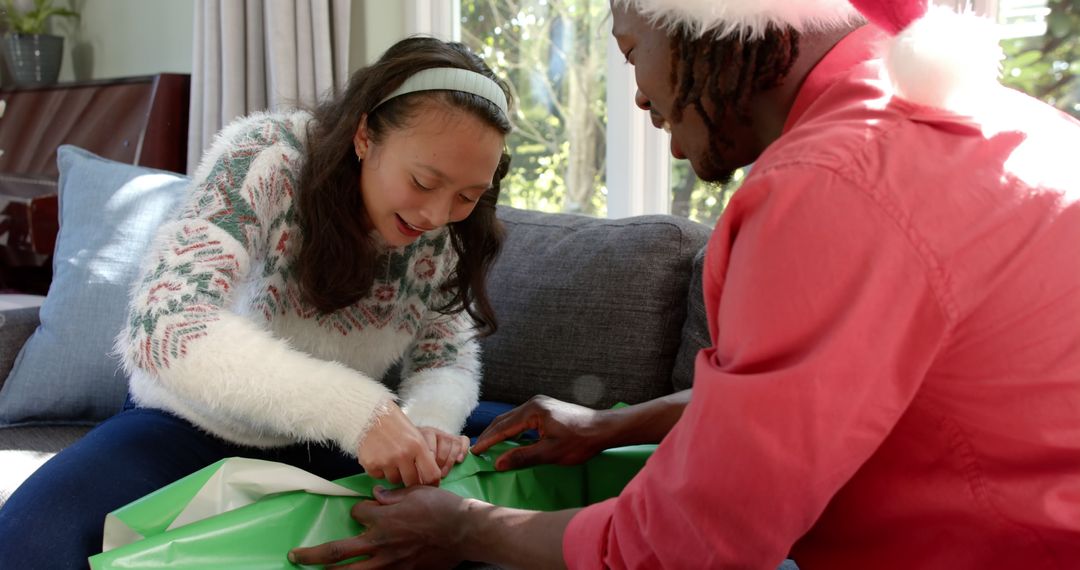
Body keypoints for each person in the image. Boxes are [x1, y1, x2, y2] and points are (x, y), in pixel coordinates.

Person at [288, 0, 1080, 568]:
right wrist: (611, 425)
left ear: (700, 19)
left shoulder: (830, 186)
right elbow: (844, 402)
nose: (637, 94)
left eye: (632, 50)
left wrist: (461, 529)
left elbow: (690, 546)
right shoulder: (1015, 126)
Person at [0, 36, 514, 568]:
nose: (436, 215)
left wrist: (428, 427)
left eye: (467, 195)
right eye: (423, 181)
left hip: (337, 440)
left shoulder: (451, 230)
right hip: (197, 424)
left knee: (541, 445)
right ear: (365, 135)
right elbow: (165, 328)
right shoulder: (266, 155)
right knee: (28, 538)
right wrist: (363, 414)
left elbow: (445, 357)